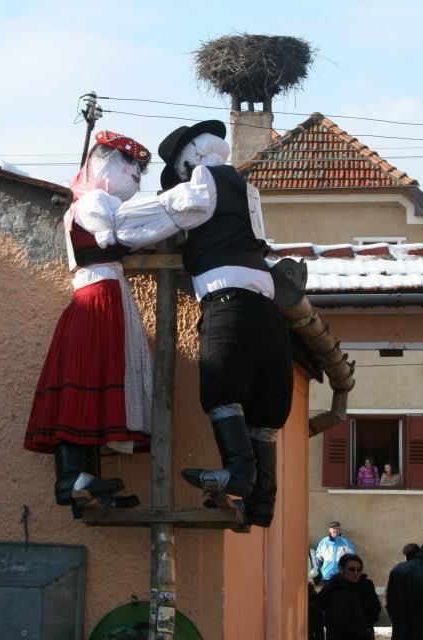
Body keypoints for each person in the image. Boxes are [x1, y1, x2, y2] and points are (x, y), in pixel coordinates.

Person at [126, 119, 292, 528]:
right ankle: (261, 503)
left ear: (190, 159)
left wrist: (114, 216)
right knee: (264, 411)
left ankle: (238, 474)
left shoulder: (206, 179)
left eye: (180, 169)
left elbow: (162, 215)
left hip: (230, 302)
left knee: (221, 387)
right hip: (271, 315)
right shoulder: (247, 192)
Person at [23, 130, 153, 518]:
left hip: (98, 295)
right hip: (98, 297)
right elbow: (118, 236)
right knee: (86, 386)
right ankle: (70, 482)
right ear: (107, 163)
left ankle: (87, 487)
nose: (134, 177)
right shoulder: (94, 202)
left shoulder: (89, 202)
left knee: (92, 390)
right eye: (129, 167)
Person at [317, 553, 381, 640]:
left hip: (362, 634)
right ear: (341, 569)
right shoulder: (332, 588)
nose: (356, 573)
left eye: (359, 570)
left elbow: (375, 607)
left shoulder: (366, 586)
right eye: (352, 569)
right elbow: (321, 605)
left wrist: (366, 625)